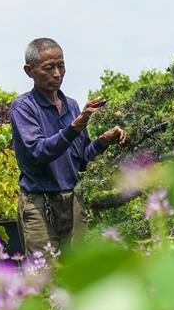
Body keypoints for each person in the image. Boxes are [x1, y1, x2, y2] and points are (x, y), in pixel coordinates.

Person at [9, 37, 126, 256]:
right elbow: (40, 152)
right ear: (29, 71)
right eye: (49, 67)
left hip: (73, 201)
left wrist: (103, 141)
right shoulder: (23, 107)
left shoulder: (71, 105)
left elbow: (82, 160)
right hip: (39, 204)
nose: (57, 74)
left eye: (61, 66)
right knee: (44, 277)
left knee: (77, 275)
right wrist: (75, 127)